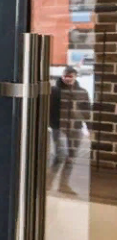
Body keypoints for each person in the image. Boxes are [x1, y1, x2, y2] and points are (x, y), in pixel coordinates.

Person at [49, 66, 91, 196]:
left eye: (70, 76)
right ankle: (48, 182)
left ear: (75, 77)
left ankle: (63, 185)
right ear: (62, 76)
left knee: (71, 157)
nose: (67, 78)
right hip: (58, 127)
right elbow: (48, 108)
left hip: (75, 128)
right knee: (60, 155)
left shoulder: (82, 92)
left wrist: (89, 127)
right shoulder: (54, 91)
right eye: (65, 76)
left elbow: (86, 111)